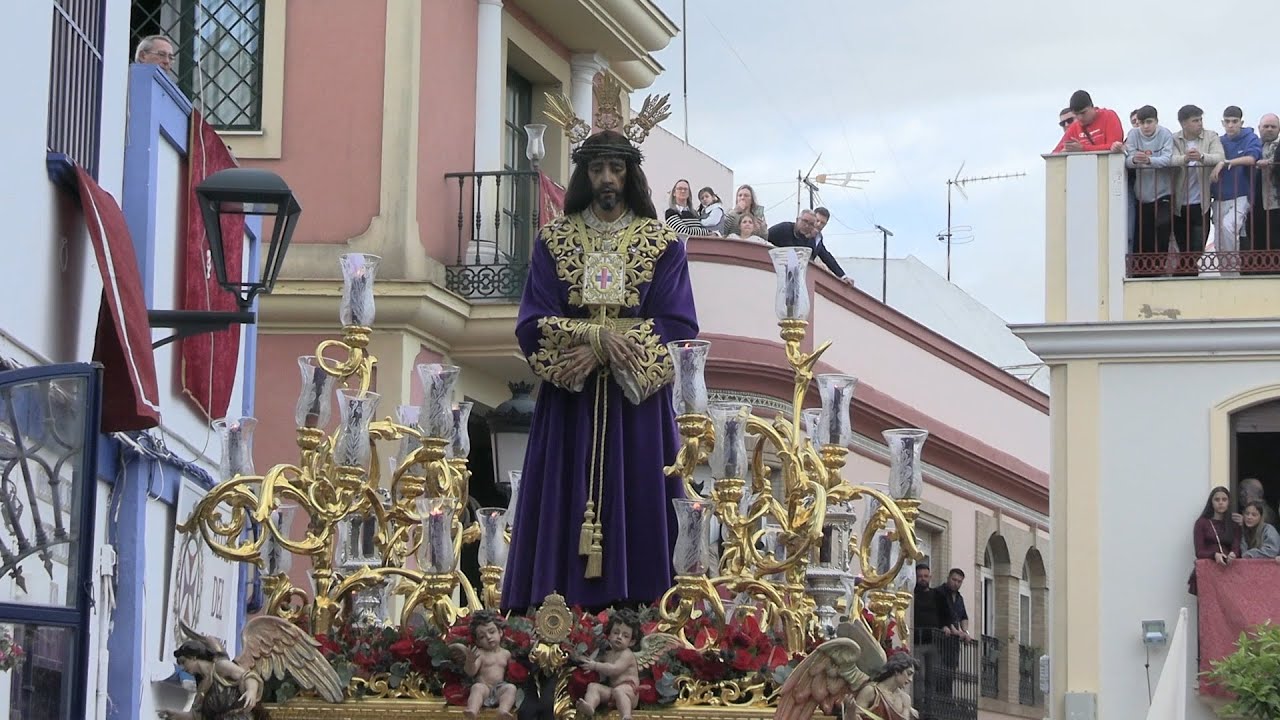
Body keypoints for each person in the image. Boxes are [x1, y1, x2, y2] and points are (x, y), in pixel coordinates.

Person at [502, 128, 699, 611]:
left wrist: (608, 349)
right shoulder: (555, 240)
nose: (607, 178)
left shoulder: (661, 244)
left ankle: (644, 613)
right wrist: (591, 336)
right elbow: (531, 321)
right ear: (584, 176)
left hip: (638, 411)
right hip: (571, 405)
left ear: (630, 173)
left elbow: (677, 322)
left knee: (640, 496)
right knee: (562, 499)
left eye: (615, 168)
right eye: (597, 169)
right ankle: (552, 611)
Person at [575, 609, 643, 720]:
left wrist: (595, 666)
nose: (619, 637)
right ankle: (590, 707)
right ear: (609, 635)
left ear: (632, 642)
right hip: (614, 692)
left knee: (619, 691)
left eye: (625, 636)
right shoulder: (607, 654)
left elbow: (614, 669)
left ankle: (626, 716)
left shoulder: (627, 654)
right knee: (593, 687)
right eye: (616, 632)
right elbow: (594, 659)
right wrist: (583, 659)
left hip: (629, 693)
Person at [450, 610, 517, 720]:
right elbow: (471, 672)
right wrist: (470, 661)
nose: (488, 637)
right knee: (477, 688)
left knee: (511, 688)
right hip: (485, 687)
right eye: (482, 637)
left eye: (492, 632)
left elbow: (512, 671)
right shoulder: (480, 654)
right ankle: (472, 710)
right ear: (478, 641)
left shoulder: (506, 653)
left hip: (500, 688)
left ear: (500, 632)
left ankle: (503, 710)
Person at [767, 210, 857, 287]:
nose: (818, 225)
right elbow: (763, 237)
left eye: (822, 223)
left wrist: (843, 276)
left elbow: (827, 257)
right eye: (817, 221)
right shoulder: (784, 228)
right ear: (798, 220)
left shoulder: (814, 238)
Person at [1189, 486, 1240, 595]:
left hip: (1227, 572)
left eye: (1224, 499)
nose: (1221, 503)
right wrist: (1214, 555)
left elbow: (1236, 547)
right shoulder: (1201, 523)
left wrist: (1233, 554)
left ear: (1229, 502)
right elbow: (1199, 552)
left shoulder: (1234, 525)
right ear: (1211, 502)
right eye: (1217, 500)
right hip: (1207, 572)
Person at [850, 652, 920, 720]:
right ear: (897, 671)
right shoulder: (871, 692)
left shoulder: (905, 699)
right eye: (909, 673)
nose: (910, 679)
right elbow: (855, 716)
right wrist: (851, 711)